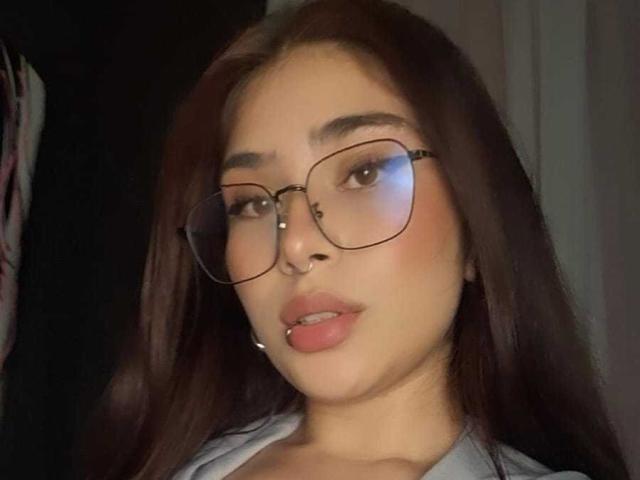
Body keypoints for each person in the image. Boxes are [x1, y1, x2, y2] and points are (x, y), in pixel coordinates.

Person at [81, 0, 631, 479]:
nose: (295, 244)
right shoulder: (180, 461)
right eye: (251, 203)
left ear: (474, 223)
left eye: (364, 173)